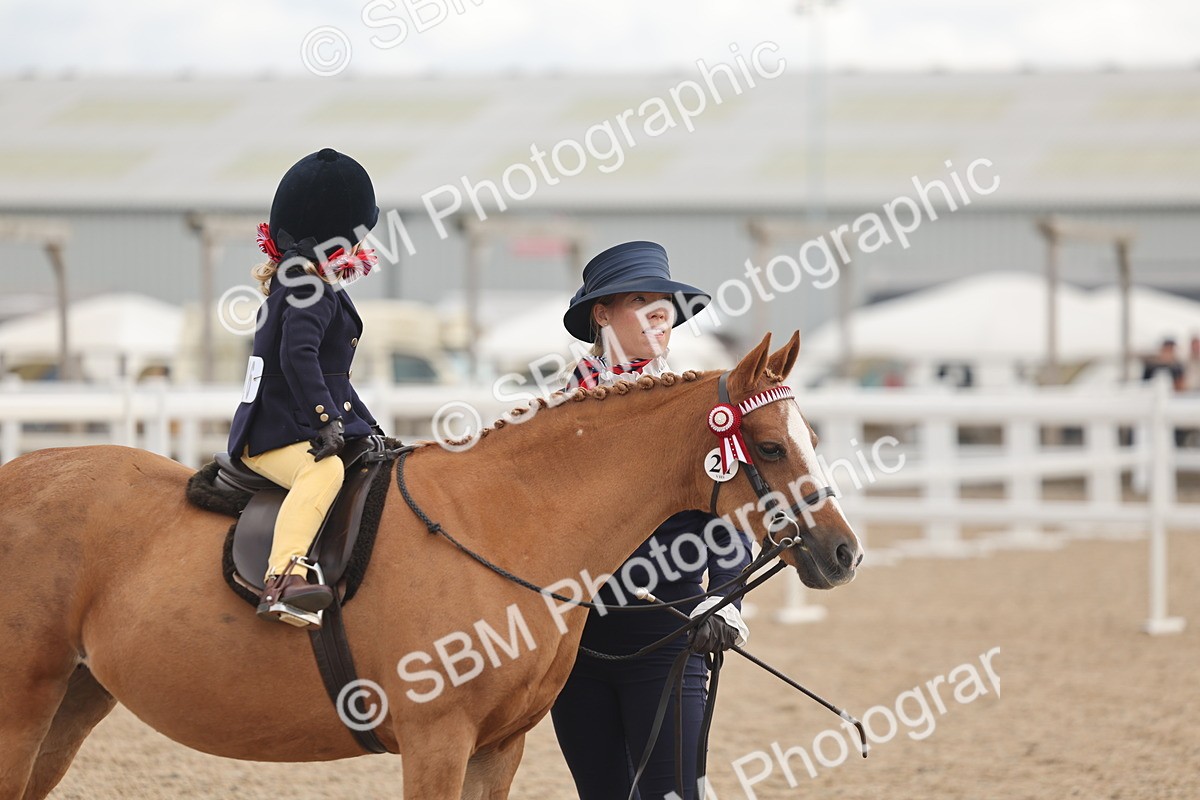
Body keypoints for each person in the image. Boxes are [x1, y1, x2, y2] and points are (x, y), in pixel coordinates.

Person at [550, 241, 753, 800]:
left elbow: (728, 517)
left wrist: (726, 600)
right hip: (576, 640)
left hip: (667, 632)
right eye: (640, 300)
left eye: (664, 303)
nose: (660, 313)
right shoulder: (558, 413)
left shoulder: (696, 409)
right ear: (602, 314)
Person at [226, 148, 384, 627]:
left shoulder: (307, 283)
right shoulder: (305, 288)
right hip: (274, 432)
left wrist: (371, 427)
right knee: (323, 471)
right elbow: (299, 357)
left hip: (292, 421)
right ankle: (284, 577)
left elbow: (335, 380)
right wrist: (326, 421)